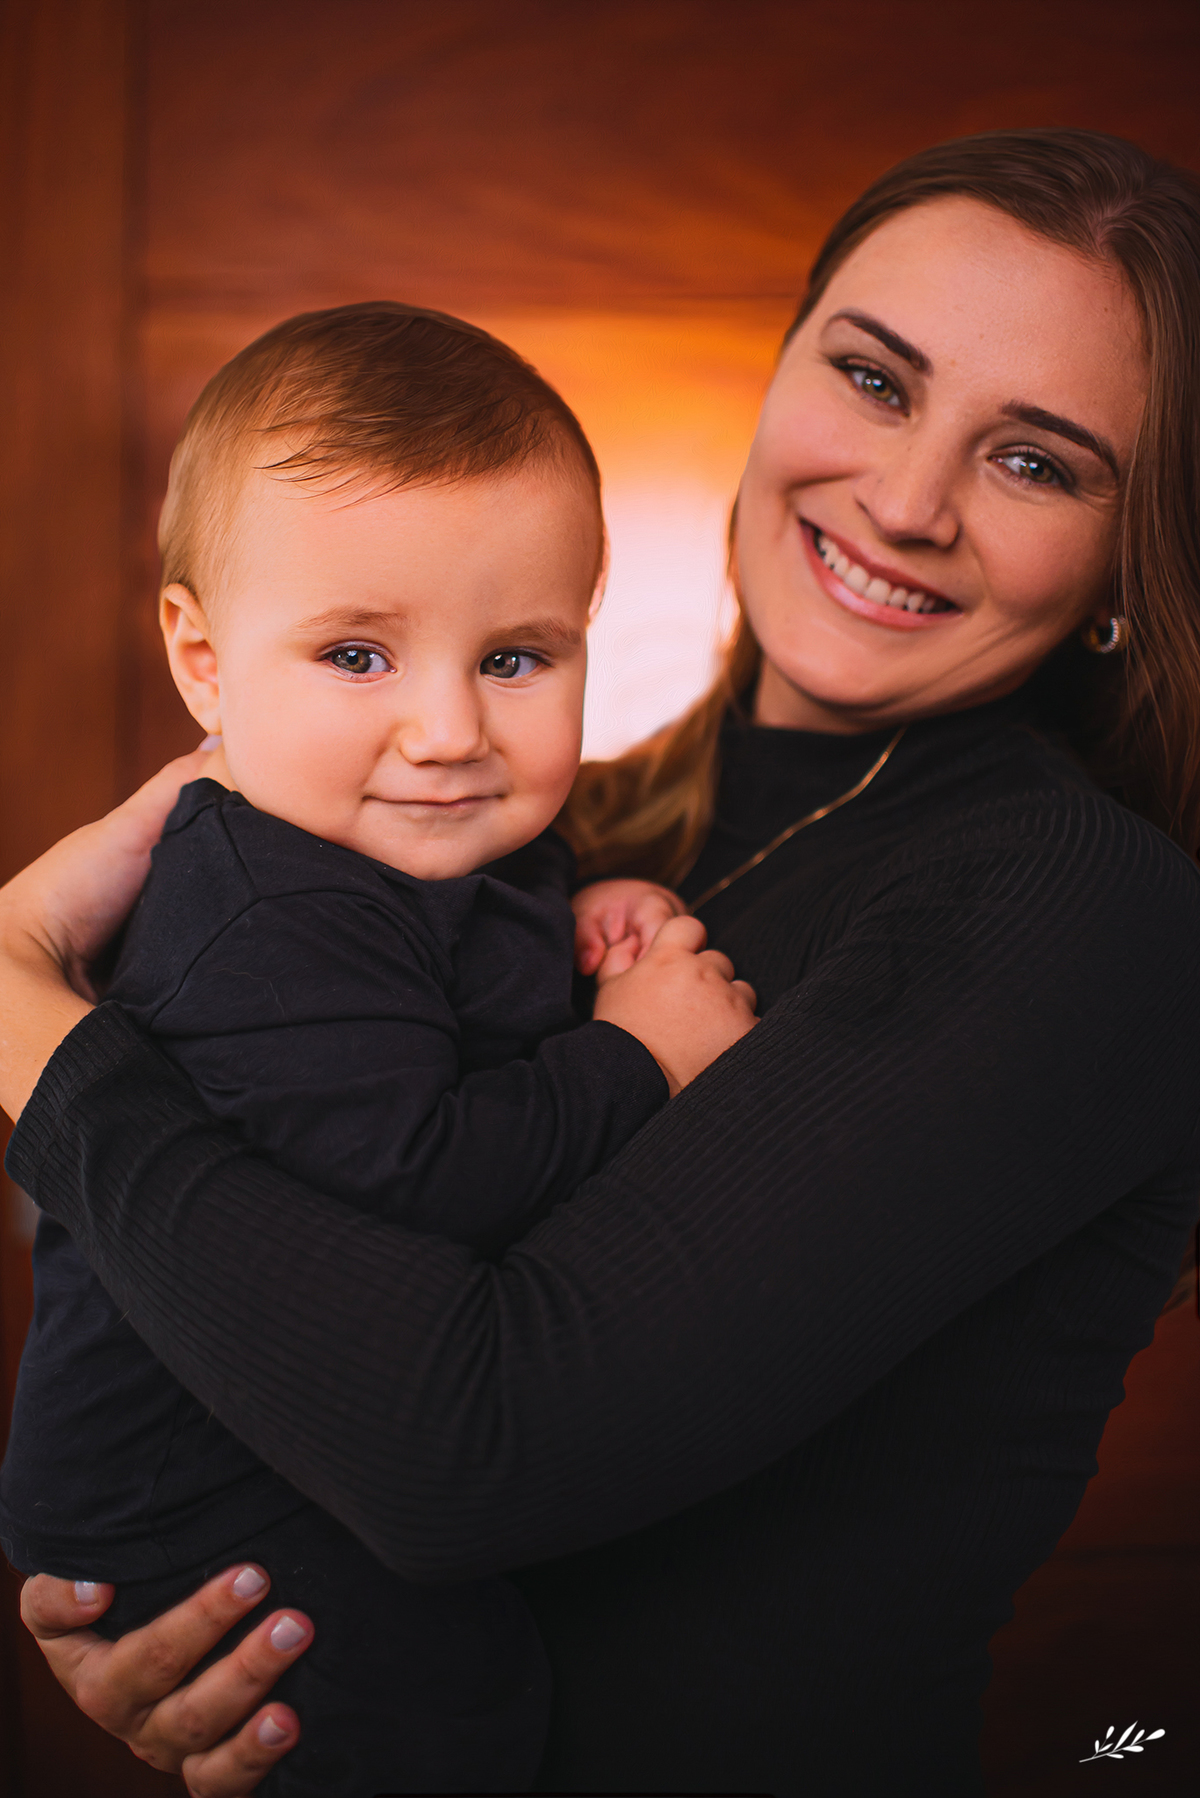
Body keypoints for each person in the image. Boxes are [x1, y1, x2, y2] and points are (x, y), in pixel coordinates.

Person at [4, 128, 1200, 1797]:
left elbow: (468, 1450)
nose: (906, 500)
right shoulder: (553, 824)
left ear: (1126, 562)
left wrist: (30, 1028)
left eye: (1035, 461)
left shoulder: (1079, 907)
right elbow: (258, 1197)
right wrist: (191, 1568)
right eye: (873, 379)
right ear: (782, 373)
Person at [0, 303, 755, 1797]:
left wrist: (575, 922)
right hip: (190, 1494)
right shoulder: (269, 905)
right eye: (357, 653)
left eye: (518, 656)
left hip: (289, 1438)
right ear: (204, 662)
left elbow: (457, 985)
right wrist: (634, 1055)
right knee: (453, 1723)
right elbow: (411, 1178)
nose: (449, 728)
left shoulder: (422, 841)